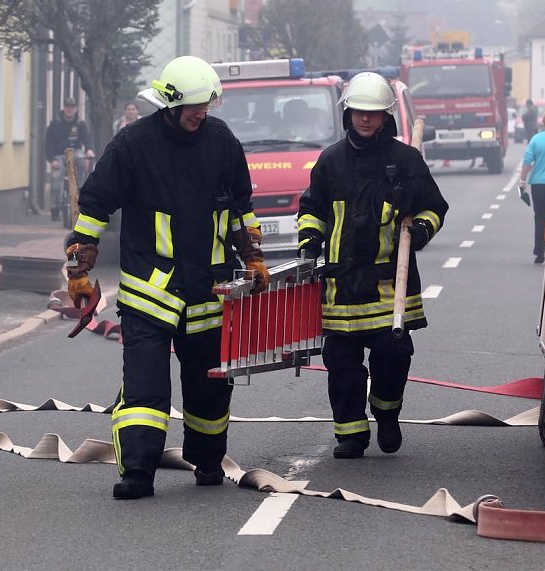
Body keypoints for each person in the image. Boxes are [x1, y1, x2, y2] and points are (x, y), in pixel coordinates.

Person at [64, 55, 270, 499]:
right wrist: (79, 268)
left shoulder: (222, 141)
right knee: (144, 388)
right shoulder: (133, 145)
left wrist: (252, 255)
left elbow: (241, 207)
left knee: (209, 386)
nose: (202, 113)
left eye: (206, 105)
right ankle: (137, 473)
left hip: (209, 292)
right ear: (170, 104)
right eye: (194, 106)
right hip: (148, 294)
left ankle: (208, 460)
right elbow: (95, 206)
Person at [296, 72, 449, 459]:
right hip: (341, 285)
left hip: (387, 287)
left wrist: (420, 231)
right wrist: (309, 241)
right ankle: (351, 434)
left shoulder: (406, 161)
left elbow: (435, 207)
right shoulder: (330, 161)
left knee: (393, 356)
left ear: (386, 117)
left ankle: (387, 413)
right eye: (359, 112)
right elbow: (311, 208)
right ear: (349, 114)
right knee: (341, 363)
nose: (365, 119)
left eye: (374, 113)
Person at [519, 109, 545, 264]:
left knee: (539, 217)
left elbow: (527, 162)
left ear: (543, 122)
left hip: (538, 184)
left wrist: (522, 181)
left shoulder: (536, 139)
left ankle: (539, 251)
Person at [45, 98, 95, 221]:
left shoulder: (80, 123)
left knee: (82, 159)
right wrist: (52, 160)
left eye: (72, 107)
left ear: (75, 109)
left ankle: (81, 190)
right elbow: (48, 143)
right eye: (67, 107)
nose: (69, 109)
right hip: (59, 155)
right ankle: (55, 208)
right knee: (56, 179)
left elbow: (86, 138)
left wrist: (89, 149)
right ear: (64, 108)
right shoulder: (55, 123)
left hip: (75, 152)